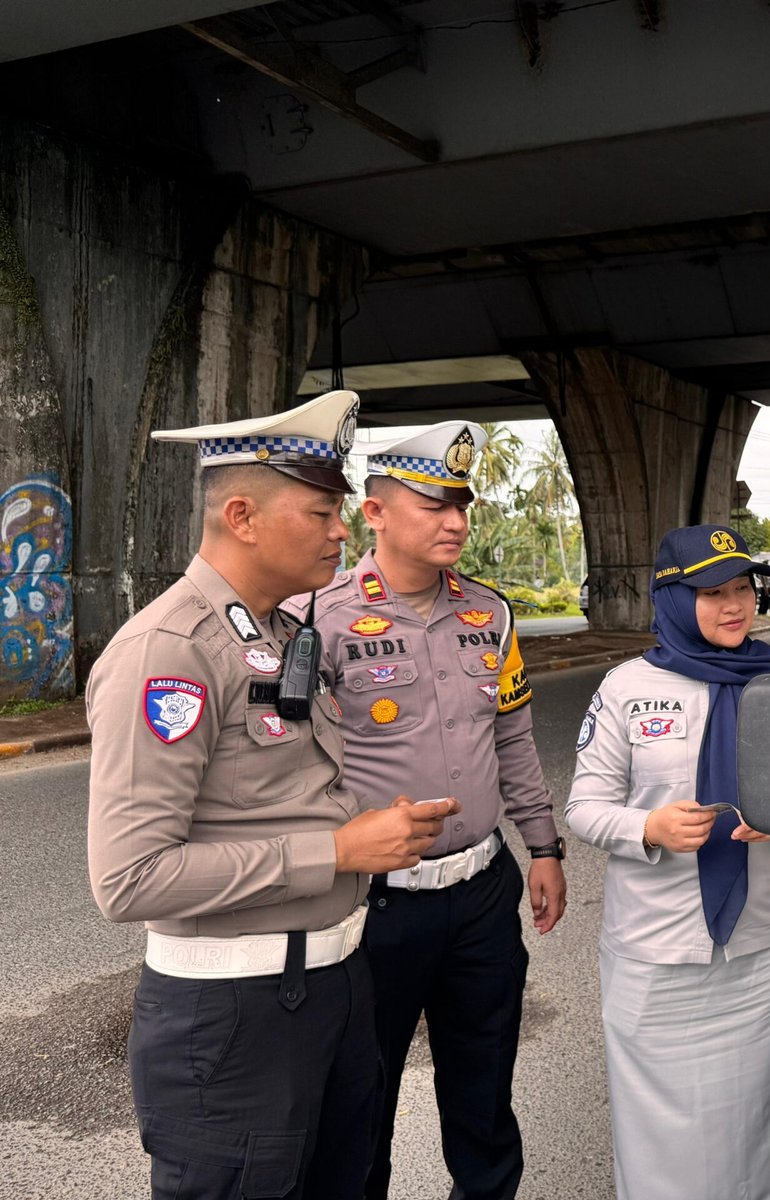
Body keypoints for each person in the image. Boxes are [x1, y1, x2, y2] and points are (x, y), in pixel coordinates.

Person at [85, 390, 461, 1200]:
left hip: (333, 987)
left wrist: (366, 826)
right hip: (233, 1015)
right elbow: (130, 878)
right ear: (244, 517)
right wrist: (336, 850)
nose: (341, 530)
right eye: (322, 511)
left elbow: (281, 793)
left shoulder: (279, 635)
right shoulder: (169, 652)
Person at [296, 421, 566, 1200]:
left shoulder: (490, 613)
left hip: (482, 894)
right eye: (433, 504)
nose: (455, 522)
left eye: (463, 505)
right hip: (373, 906)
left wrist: (542, 846)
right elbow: (284, 765)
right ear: (375, 512)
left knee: (484, 1098)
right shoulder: (316, 618)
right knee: (359, 1107)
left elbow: (511, 735)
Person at [566, 523, 770, 1200]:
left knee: (750, 1117)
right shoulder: (625, 688)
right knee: (658, 1128)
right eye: (712, 592)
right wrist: (647, 825)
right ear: (673, 598)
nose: (735, 605)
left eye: (742, 588)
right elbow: (584, 808)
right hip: (656, 949)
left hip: (755, 950)